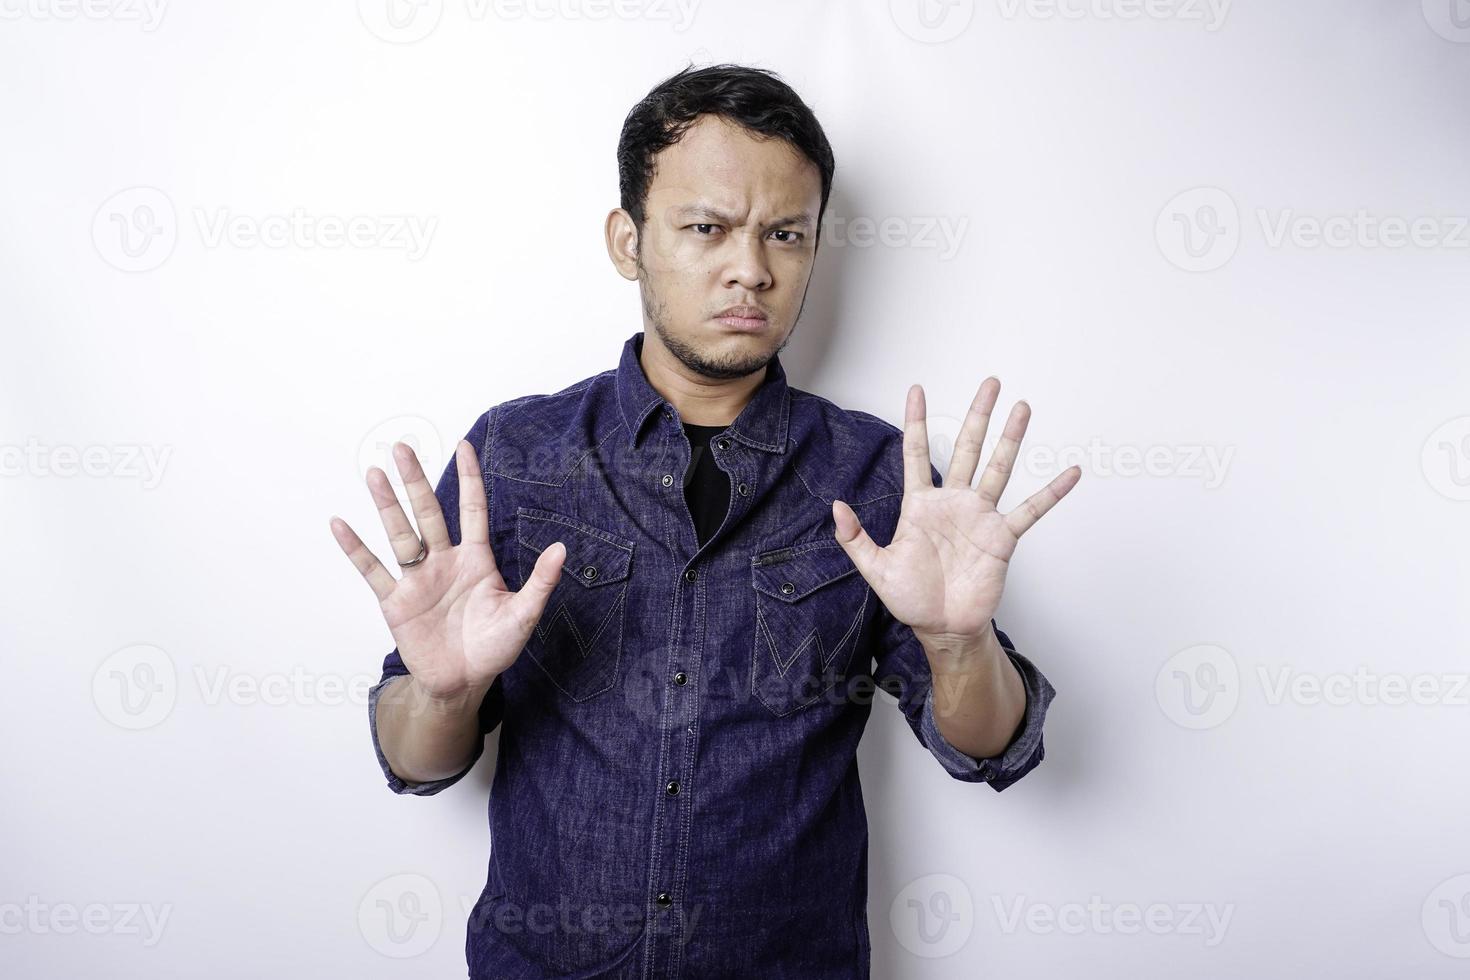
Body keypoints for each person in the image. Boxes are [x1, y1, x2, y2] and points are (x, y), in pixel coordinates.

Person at [330, 62, 1080, 980]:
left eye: (786, 235)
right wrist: (441, 693)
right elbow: (417, 763)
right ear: (627, 239)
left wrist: (960, 643)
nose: (751, 270)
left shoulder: (882, 478)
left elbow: (991, 749)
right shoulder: (516, 459)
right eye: (706, 228)